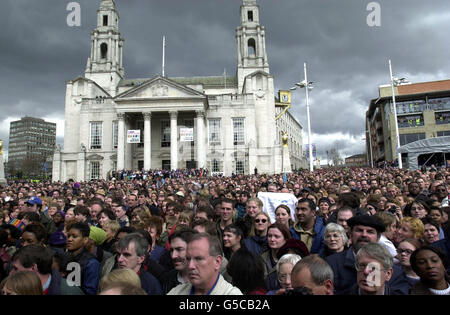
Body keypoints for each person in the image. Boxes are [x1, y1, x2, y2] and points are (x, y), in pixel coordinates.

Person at [326, 215, 410, 295]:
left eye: (370, 232)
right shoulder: (331, 264)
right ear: (351, 235)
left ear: (378, 238)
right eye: (359, 230)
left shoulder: (395, 273)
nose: (364, 235)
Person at [167, 233, 242, 295]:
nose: (190, 266)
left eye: (198, 259)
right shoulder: (176, 292)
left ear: (217, 262)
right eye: (188, 259)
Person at [10, 244, 83, 295]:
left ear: (33, 268)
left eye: (16, 269)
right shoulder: (13, 289)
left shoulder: (69, 292)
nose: (10, 273)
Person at [65, 222, 100, 295]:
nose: (69, 239)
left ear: (85, 240)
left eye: (74, 236)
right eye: (68, 236)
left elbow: (90, 292)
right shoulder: (63, 256)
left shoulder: (91, 263)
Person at [161, 228, 196, 294]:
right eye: (171, 250)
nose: (173, 256)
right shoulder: (168, 278)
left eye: (179, 249)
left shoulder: (203, 280)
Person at [261, 223, 291, 291]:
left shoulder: (291, 259)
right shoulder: (262, 257)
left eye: (276, 236)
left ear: (285, 239)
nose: (272, 239)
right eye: (269, 236)